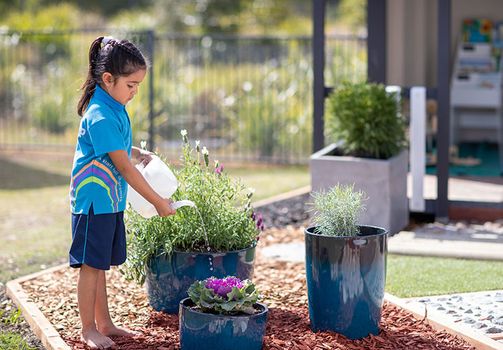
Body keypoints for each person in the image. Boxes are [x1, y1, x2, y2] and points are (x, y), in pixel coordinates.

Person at [69, 36, 175, 349]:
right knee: (91, 266)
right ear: (107, 79)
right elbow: (124, 169)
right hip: (92, 204)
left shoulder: (113, 107)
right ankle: (88, 329)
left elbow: (118, 149)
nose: (134, 92)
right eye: (131, 85)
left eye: (138, 85)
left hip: (108, 202)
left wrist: (137, 152)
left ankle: (105, 323)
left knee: (99, 263)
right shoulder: (100, 114)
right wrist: (158, 202)